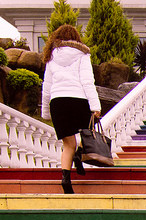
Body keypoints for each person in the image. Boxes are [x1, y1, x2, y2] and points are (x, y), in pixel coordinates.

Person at [41, 25, 101, 194]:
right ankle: (79, 153)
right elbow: (88, 81)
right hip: (78, 99)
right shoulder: (83, 54)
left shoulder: (51, 55)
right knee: (87, 130)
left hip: (58, 101)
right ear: (76, 38)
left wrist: (45, 111)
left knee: (68, 144)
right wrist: (95, 106)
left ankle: (66, 179)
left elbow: (47, 86)